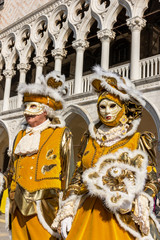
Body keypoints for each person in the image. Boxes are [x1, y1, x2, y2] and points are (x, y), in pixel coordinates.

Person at [52, 66, 160, 240]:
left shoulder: (138, 139)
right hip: (86, 211)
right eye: (102, 106)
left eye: (112, 106)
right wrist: (68, 207)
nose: (107, 111)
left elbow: (151, 178)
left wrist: (143, 198)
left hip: (122, 217)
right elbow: (79, 175)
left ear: (123, 108)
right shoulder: (89, 139)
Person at [0, 70, 74, 240]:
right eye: (25, 106)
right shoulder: (20, 135)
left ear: (46, 110)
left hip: (46, 206)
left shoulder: (61, 133)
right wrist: (3, 181)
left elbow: (68, 175)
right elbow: (12, 170)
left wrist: (68, 207)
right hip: (17, 205)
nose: (27, 111)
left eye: (33, 106)